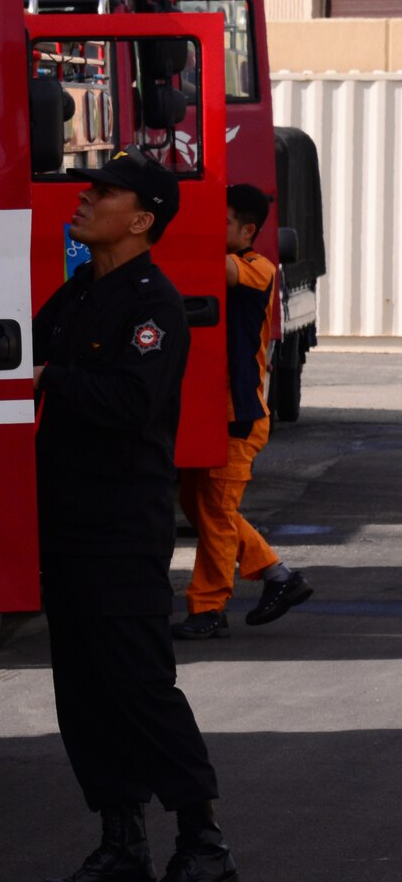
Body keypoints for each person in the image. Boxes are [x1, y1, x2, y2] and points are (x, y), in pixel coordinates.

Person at [32, 149, 237, 882]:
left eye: (102, 192)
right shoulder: (84, 288)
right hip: (68, 520)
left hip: (122, 527)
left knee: (140, 687)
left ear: (141, 218)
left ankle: (203, 842)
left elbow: (128, 403)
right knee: (83, 690)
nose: (83, 200)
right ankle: (121, 841)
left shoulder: (154, 306)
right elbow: (24, 346)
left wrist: (52, 379)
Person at [174, 184, 314, 639]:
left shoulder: (255, 267)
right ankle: (279, 576)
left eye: (223, 220)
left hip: (241, 415)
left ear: (248, 230)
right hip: (217, 412)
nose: (214, 228)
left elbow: (213, 270)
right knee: (201, 506)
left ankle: (209, 609)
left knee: (214, 512)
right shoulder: (238, 262)